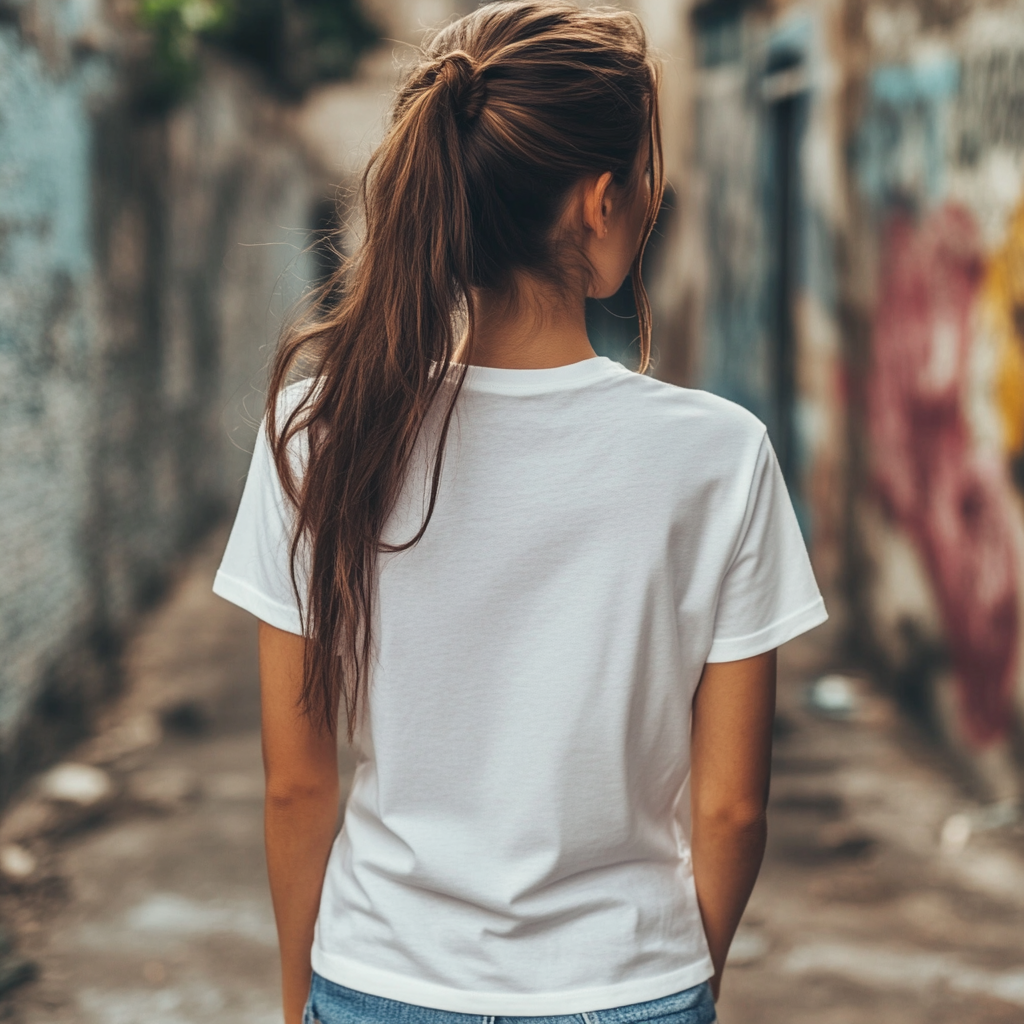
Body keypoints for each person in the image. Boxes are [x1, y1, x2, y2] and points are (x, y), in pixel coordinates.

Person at [212, 2, 827, 1022]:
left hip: (378, 978)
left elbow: (295, 782)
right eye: (642, 171)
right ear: (597, 201)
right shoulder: (718, 455)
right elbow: (729, 807)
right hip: (627, 982)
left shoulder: (316, 428)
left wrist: (298, 1001)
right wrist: (674, 981)